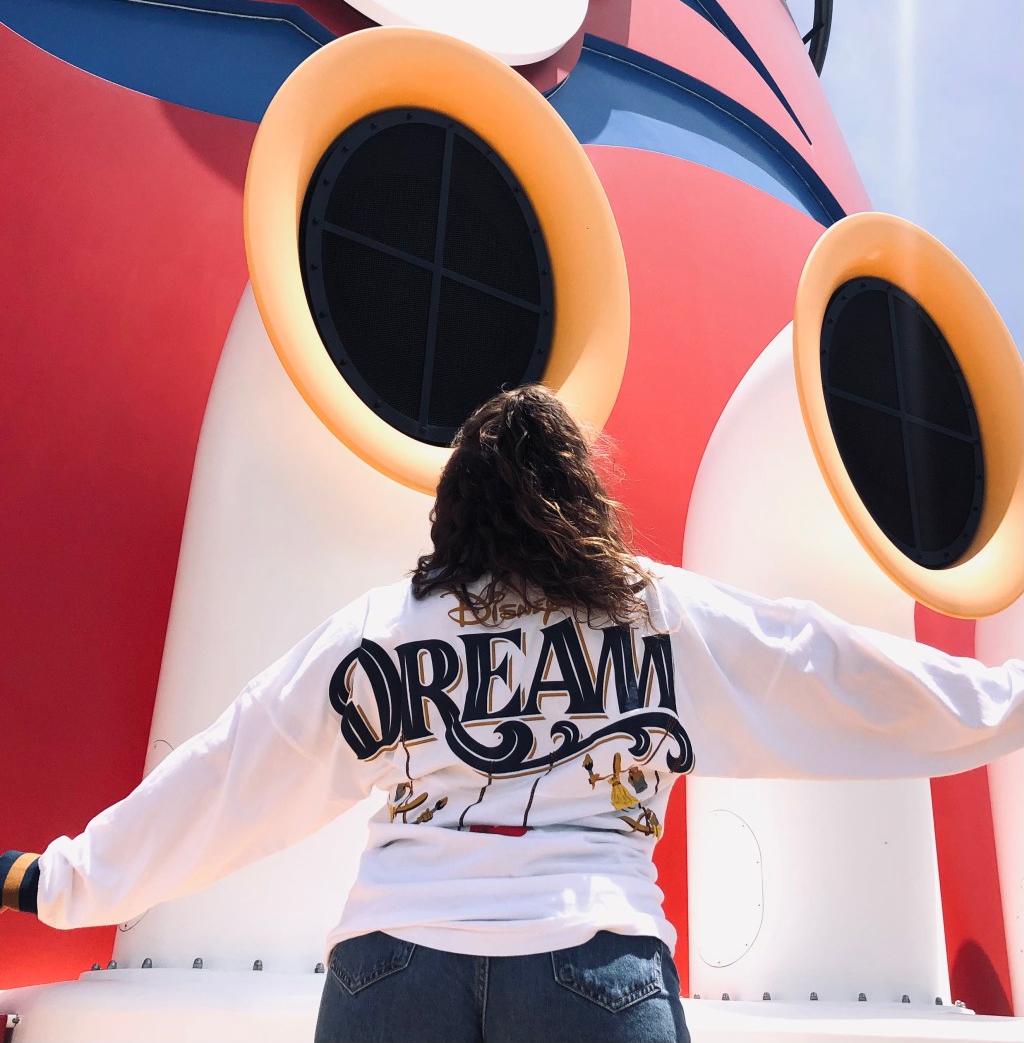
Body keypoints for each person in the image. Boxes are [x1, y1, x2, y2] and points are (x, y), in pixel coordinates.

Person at [2, 384, 1023, 1043]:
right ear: (581, 495)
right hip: (590, 962)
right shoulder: (654, 610)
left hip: (392, 968)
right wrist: (1008, 702)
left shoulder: (386, 628)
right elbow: (830, 669)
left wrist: (61, 883)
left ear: (455, 505)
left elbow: (236, 767)